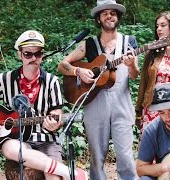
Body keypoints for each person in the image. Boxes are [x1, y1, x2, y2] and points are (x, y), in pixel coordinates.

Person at [0, 30, 87, 180]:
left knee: (53, 178)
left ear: (42, 55)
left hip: (47, 140)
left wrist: (55, 124)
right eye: (28, 54)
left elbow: (57, 113)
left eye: (38, 54)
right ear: (19, 54)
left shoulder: (51, 81)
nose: (33, 58)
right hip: (19, 141)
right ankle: (68, 172)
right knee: (9, 148)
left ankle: (59, 170)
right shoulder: (5, 79)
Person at [57, 0, 139, 179]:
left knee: (125, 156)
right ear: (98, 19)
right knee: (96, 157)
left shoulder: (129, 42)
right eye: (105, 13)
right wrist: (78, 71)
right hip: (95, 103)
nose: (109, 15)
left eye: (113, 13)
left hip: (121, 103)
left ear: (118, 17)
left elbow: (134, 75)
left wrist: (132, 65)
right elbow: (62, 65)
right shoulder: (89, 44)